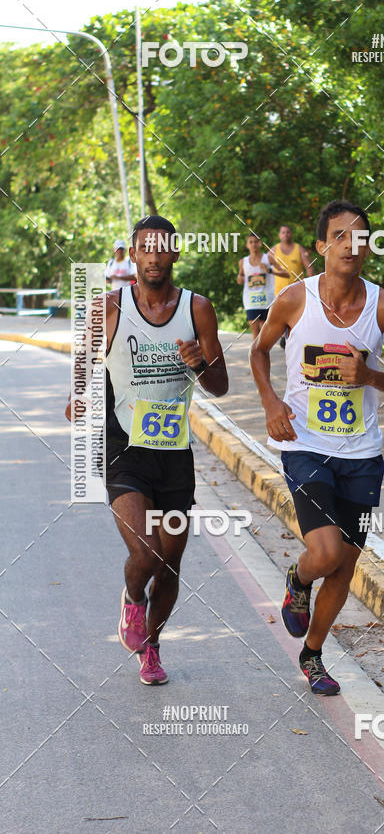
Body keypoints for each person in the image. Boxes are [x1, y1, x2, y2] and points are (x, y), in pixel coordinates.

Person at [250, 199, 384, 695]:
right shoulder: (294, 300)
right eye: (339, 235)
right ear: (320, 246)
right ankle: (298, 581)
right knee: (324, 553)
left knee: (345, 565)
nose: (351, 244)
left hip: (363, 455)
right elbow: (259, 352)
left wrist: (368, 375)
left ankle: (313, 654)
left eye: (360, 236)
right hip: (305, 445)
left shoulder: (383, 305)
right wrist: (270, 402)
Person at [66, 215, 228, 685]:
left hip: (175, 454)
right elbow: (84, 357)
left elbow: (219, 385)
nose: (154, 256)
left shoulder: (198, 309)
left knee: (171, 562)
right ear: (132, 256)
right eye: (145, 248)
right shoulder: (109, 308)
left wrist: (199, 365)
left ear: (176, 254)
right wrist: (79, 393)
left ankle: (151, 647)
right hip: (124, 450)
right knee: (147, 553)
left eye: (163, 248)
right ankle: (132, 599)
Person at [268, 225, 315, 348]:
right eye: (283, 232)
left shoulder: (299, 249)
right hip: (279, 293)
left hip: (297, 292)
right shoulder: (273, 250)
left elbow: (309, 267)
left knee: (297, 318)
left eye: (288, 232)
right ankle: (285, 339)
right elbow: (263, 268)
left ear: (291, 234)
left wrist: (309, 285)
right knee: (281, 320)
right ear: (279, 235)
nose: (286, 234)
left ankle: (294, 341)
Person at [237, 233, 289, 339]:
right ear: (247, 245)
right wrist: (240, 279)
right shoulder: (243, 262)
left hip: (266, 300)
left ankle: (263, 353)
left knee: (264, 332)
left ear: (260, 244)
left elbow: (286, 274)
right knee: (255, 330)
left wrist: (269, 270)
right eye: (250, 242)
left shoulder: (268, 259)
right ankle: (255, 354)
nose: (253, 244)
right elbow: (240, 279)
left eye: (256, 242)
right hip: (251, 300)